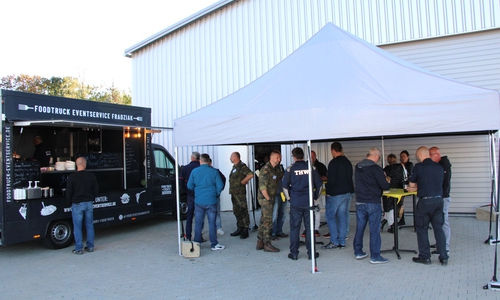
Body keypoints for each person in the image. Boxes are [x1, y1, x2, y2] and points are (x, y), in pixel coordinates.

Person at [407, 146, 449, 266]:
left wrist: (414, 187)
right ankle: (443, 257)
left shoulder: (418, 167)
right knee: (438, 229)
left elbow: (412, 184)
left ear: (420, 155)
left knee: (422, 229)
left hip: (425, 202)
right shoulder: (439, 167)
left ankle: (425, 257)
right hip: (438, 201)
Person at [283, 147, 323, 260]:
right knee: (310, 228)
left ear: (294, 156)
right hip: (309, 203)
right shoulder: (311, 168)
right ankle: (311, 253)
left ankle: (294, 253)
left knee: (295, 228)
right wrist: (315, 197)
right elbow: (320, 185)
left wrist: (290, 199)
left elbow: (285, 187)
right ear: (303, 156)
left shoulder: (290, 169)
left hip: (295, 203)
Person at [353, 148, 390, 264]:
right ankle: (375, 256)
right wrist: (386, 179)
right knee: (374, 230)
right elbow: (385, 186)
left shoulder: (358, 167)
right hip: (373, 202)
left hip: (360, 201)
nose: (378, 159)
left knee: (360, 228)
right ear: (375, 155)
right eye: (379, 157)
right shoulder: (376, 169)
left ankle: (358, 252)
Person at [187, 154, 225, 251]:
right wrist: (215, 194)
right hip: (211, 200)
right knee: (212, 223)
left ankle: (197, 243)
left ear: (200, 161)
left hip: (199, 201)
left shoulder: (194, 171)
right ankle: (214, 244)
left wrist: (197, 192)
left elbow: (189, 186)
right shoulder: (214, 172)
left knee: (198, 223)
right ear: (209, 161)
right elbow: (220, 185)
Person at [323, 142, 354, 249]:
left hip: (336, 194)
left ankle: (334, 241)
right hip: (347, 192)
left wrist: (328, 192)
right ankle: (342, 241)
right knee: (342, 216)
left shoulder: (333, 163)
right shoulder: (347, 162)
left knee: (330, 216)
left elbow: (331, 180)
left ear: (333, 150)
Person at [66, 157, 98, 255]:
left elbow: (68, 192)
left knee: (77, 227)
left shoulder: (72, 177)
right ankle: (90, 246)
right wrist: (92, 198)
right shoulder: (91, 176)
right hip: (88, 203)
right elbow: (96, 190)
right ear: (85, 164)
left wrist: (68, 203)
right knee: (89, 226)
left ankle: (79, 248)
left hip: (77, 204)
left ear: (77, 165)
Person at [256, 150, 283, 252]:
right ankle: (267, 243)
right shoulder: (266, 170)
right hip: (265, 198)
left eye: (280, 158)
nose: (279, 159)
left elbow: (282, 177)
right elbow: (263, 187)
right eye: (277, 158)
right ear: (272, 158)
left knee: (264, 219)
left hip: (271, 197)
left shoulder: (277, 169)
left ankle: (260, 241)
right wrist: (268, 199)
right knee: (268, 221)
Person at [429, 146, 452, 254]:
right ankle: (440, 243)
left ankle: (445, 247)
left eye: (430, 155)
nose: (429, 157)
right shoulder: (439, 165)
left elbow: (445, 182)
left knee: (443, 222)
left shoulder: (444, 165)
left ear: (437, 154)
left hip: (443, 197)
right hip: (439, 197)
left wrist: (441, 194)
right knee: (438, 222)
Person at [228, 152, 254, 239]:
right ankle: (240, 227)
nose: (230, 158)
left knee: (243, 210)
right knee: (236, 210)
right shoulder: (235, 167)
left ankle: (245, 229)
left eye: (231, 156)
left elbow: (250, 174)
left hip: (240, 193)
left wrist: (243, 181)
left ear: (235, 157)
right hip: (234, 192)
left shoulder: (242, 166)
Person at [179, 151, 200, 240]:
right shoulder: (200, 167)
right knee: (200, 217)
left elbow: (181, 181)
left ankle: (188, 235)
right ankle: (199, 236)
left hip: (190, 195)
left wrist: (186, 190)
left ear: (192, 158)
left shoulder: (186, 168)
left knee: (189, 216)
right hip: (200, 195)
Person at [306, 150, 327, 238]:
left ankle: (316, 228)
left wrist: (319, 178)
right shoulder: (304, 165)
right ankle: (306, 229)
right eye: (310, 156)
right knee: (306, 211)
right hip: (306, 192)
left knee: (317, 210)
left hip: (317, 191)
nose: (312, 158)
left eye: (313, 156)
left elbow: (326, 177)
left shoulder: (321, 166)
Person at [382, 154, 404, 233]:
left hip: (388, 191)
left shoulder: (385, 169)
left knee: (389, 209)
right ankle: (392, 223)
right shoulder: (400, 167)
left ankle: (390, 225)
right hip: (399, 191)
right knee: (396, 207)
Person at [209, 158, 226, 236]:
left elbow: (223, 179)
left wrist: (218, 192)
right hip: (206, 196)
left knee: (216, 213)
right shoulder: (200, 171)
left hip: (213, 196)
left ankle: (218, 228)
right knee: (202, 215)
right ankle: (201, 230)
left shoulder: (216, 171)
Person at [272, 163, 288, 240]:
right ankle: (273, 233)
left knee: (283, 213)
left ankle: (279, 231)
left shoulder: (281, 167)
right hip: (274, 194)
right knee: (274, 214)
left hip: (283, 193)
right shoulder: (269, 169)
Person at [398, 150, 414, 226]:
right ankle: (401, 219)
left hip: (408, 186)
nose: (403, 158)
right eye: (401, 157)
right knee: (399, 203)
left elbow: (409, 175)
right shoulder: (398, 165)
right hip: (401, 186)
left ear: (408, 157)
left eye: (404, 156)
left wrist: (403, 167)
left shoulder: (410, 165)